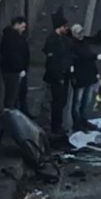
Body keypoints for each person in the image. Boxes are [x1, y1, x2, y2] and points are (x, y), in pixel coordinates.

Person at [69, 24, 101, 132]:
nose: (81, 35)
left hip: (89, 78)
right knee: (77, 102)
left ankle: (83, 121)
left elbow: (89, 61)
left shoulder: (84, 43)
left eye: (82, 32)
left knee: (85, 102)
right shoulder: (73, 46)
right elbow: (83, 57)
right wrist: (95, 56)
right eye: (79, 33)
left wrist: (96, 74)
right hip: (80, 79)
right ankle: (77, 124)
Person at [42, 9, 73, 137]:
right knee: (57, 102)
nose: (67, 29)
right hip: (56, 78)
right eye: (64, 27)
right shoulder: (52, 41)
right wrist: (59, 76)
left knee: (62, 101)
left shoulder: (62, 39)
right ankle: (56, 127)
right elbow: (53, 62)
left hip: (64, 76)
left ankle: (58, 126)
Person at [0, 16, 29, 113]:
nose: (23, 29)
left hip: (15, 71)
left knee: (14, 96)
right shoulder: (11, 38)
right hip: (12, 72)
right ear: (16, 25)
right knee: (11, 97)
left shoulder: (16, 37)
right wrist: (20, 69)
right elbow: (13, 55)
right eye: (22, 27)